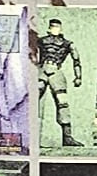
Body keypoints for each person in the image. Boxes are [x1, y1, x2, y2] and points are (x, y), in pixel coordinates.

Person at [34, 17, 83, 148]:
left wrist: (78, 76)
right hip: (42, 69)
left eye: (57, 27)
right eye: (53, 27)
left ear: (61, 29)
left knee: (62, 102)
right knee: (34, 98)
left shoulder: (68, 44)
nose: (55, 29)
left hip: (56, 71)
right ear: (49, 28)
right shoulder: (41, 41)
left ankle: (67, 137)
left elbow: (76, 59)